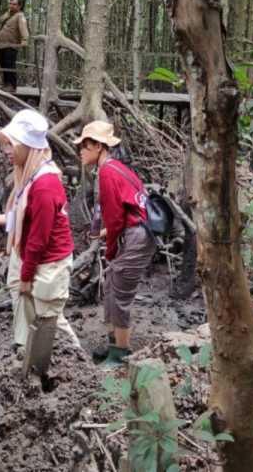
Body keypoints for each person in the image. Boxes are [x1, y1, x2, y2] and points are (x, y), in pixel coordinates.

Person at [0, 110, 80, 354]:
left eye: (11, 144)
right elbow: (24, 216)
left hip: (48, 262)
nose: (6, 151)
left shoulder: (45, 184)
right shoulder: (30, 174)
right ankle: (26, 350)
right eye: (5, 144)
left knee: (50, 319)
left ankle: (79, 365)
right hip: (30, 255)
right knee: (23, 303)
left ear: (28, 146)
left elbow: (38, 239)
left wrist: (26, 277)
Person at [73, 121, 155, 367]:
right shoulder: (115, 167)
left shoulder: (108, 171)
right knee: (110, 284)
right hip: (136, 231)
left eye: (85, 146)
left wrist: (110, 249)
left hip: (137, 236)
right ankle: (112, 344)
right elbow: (127, 209)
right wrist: (110, 233)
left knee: (119, 291)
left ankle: (121, 353)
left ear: (98, 146)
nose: (80, 152)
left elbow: (116, 217)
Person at [0, 0, 29, 92]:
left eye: (14, 4)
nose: (11, 6)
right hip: (2, 44)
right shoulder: (8, 15)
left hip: (11, 45)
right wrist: (7, 14)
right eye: (10, 3)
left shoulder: (20, 16)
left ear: (19, 6)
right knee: (3, 64)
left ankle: (12, 85)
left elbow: (23, 28)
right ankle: (6, 83)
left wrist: (25, 39)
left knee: (9, 64)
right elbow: (0, 20)